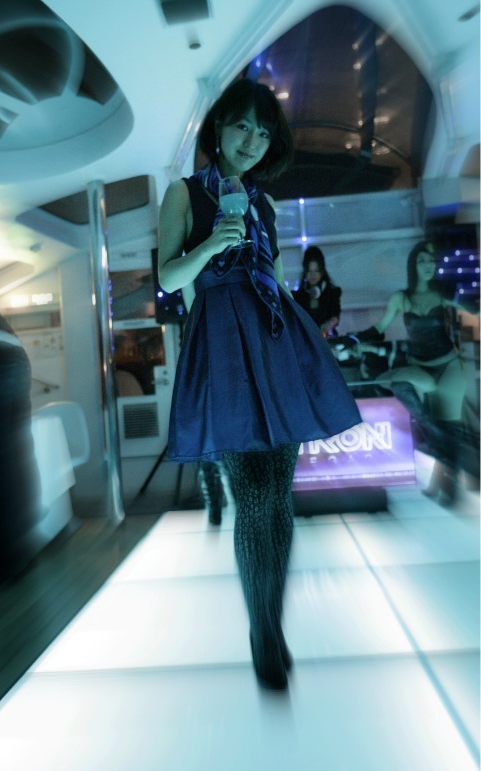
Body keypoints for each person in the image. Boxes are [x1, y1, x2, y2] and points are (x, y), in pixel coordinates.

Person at [158, 78, 361, 690]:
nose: (252, 140)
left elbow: (272, 274)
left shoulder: (263, 203)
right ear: (219, 128)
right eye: (242, 126)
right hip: (222, 345)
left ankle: (272, 622)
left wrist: (306, 341)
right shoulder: (184, 192)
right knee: (252, 497)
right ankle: (262, 632)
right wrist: (212, 244)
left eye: (263, 132)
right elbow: (168, 277)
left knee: (279, 493)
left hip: (274, 342)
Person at [348, 240, 472, 505]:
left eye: (431, 261)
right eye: (422, 260)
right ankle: (439, 459)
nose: (428, 265)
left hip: (449, 366)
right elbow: (379, 327)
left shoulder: (442, 294)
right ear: (413, 264)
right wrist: (353, 339)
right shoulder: (401, 298)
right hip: (420, 367)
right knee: (398, 385)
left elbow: (474, 309)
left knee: (449, 426)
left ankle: (445, 485)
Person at [0, 300, 41, 588]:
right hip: (13, 353)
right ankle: (21, 551)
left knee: (1, 463)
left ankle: (8, 561)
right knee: (17, 457)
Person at [292, 245, 342, 336]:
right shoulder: (298, 297)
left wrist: (329, 324)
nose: (313, 275)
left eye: (316, 271)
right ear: (305, 272)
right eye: (310, 271)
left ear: (322, 272)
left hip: (326, 338)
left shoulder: (333, 293)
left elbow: (335, 315)